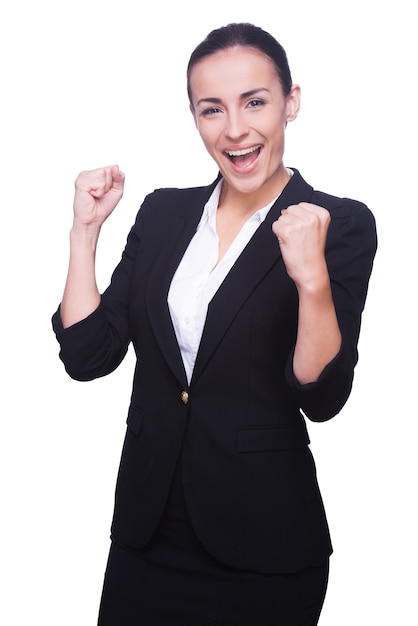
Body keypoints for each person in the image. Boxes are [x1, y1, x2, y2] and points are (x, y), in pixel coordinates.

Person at [52, 22, 377, 626]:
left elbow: (322, 396)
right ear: (195, 118)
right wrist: (84, 233)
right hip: (146, 540)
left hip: (264, 548)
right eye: (212, 109)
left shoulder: (339, 223)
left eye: (255, 102)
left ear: (291, 103)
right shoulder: (165, 211)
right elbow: (88, 355)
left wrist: (312, 282)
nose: (234, 129)